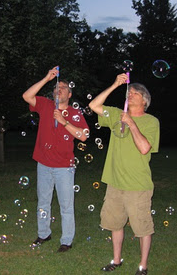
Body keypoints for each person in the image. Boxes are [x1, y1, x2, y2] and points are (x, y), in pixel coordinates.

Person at [89, 74, 159, 274]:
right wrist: (115, 84)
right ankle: (116, 260)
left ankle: (143, 266)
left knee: (143, 228)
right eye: (129, 92)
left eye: (136, 93)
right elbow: (94, 105)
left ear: (144, 101)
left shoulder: (152, 121)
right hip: (114, 183)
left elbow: (145, 148)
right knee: (115, 223)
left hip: (138, 185)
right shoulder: (117, 114)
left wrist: (131, 123)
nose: (131, 94)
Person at [22, 66, 89, 253]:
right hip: (43, 164)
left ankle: (66, 240)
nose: (58, 90)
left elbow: (83, 136)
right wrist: (46, 78)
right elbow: (27, 96)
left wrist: (64, 121)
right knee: (43, 202)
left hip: (64, 167)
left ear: (70, 93)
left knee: (66, 205)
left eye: (62, 88)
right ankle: (44, 234)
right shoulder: (45, 105)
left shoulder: (75, 114)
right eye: (55, 87)